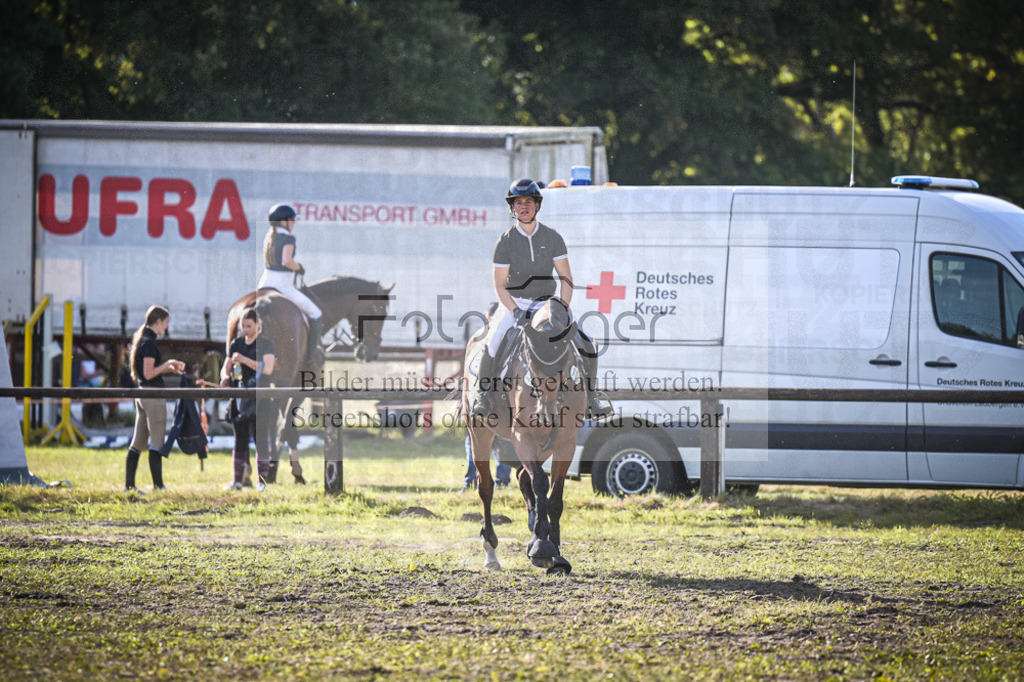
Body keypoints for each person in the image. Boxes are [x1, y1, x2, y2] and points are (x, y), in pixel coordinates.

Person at [470, 178, 611, 419]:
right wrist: (515, 311)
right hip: (516, 302)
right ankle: (483, 396)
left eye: (528, 202)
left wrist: (562, 308)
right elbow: (499, 285)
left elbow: (566, 277)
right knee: (492, 342)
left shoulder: (552, 237)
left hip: (548, 302)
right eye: (518, 203)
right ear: (512, 208)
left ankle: (592, 397)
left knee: (588, 342)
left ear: (537, 205)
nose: (523, 206)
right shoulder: (505, 242)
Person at [125, 305, 185, 492]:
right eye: (166, 323)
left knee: (137, 443)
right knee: (157, 442)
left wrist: (168, 368)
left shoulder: (143, 340)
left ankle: (129, 486)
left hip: (142, 394)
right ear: (157, 322)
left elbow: (145, 373)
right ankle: (158, 486)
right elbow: (149, 373)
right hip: (153, 396)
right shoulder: (150, 343)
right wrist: (166, 364)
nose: (166, 327)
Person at [258, 203, 323, 366]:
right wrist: (299, 267)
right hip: (282, 285)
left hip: (264, 283)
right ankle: (311, 357)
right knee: (316, 313)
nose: (293, 222)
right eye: (292, 220)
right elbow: (287, 261)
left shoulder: (270, 237)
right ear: (284, 221)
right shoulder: (288, 237)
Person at [220, 308, 276, 492]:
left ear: (258, 325)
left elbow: (267, 369)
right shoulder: (236, 343)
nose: (245, 329)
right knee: (240, 440)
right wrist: (224, 376)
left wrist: (243, 360)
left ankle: (262, 482)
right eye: (243, 326)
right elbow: (226, 366)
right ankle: (237, 481)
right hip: (239, 397)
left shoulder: (267, 345)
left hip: (261, 398)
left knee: (261, 439)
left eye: (249, 326)